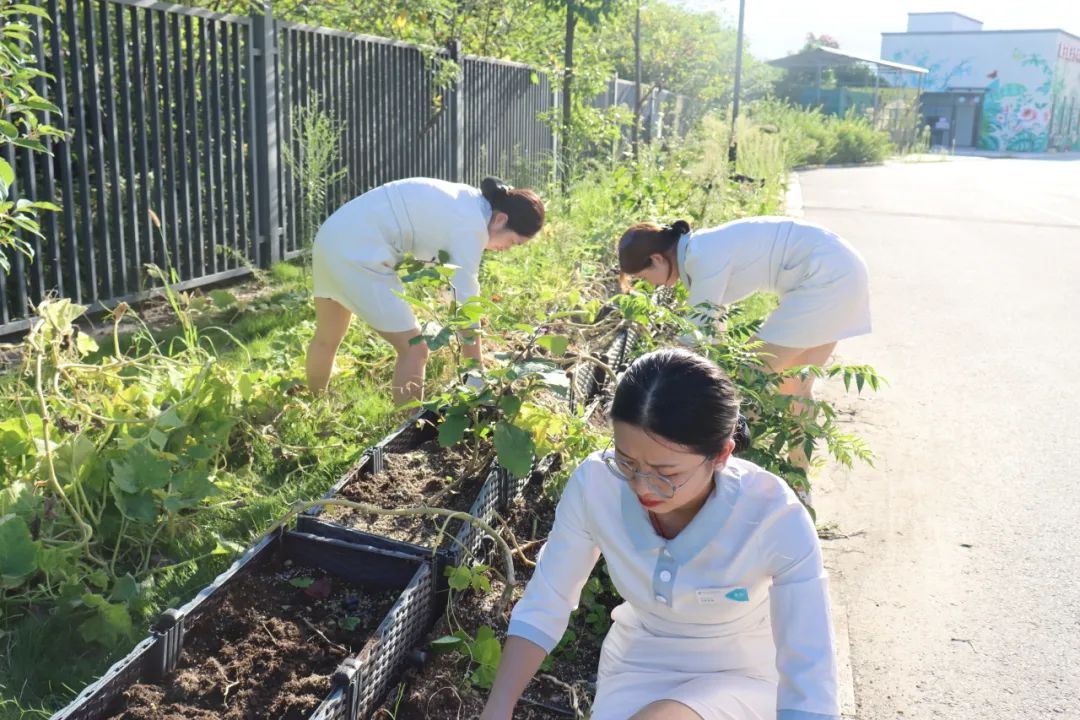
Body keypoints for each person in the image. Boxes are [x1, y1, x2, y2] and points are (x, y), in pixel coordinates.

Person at [481, 348, 839, 720]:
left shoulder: (771, 514)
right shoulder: (596, 484)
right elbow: (548, 599)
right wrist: (498, 706)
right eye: (626, 461)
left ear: (722, 454)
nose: (641, 484)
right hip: (639, 664)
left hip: (745, 673)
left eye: (665, 471)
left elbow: (809, 661)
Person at [617, 216, 870, 465]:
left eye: (643, 277)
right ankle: (798, 480)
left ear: (657, 259)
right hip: (842, 270)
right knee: (794, 388)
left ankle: (740, 470)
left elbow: (694, 340)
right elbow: (712, 335)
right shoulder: (702, 248)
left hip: (827, 278)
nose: (649, 284)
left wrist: (653, 391)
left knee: (750, 379)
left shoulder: (701, 256)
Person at [305, 176, 544, 403]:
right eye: (513, 242)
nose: (507, 249)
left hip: (332, 237)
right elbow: (466, 304)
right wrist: (476, 372)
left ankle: (317, 407)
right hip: (360, 253)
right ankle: (404, 435)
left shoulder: (468, 201)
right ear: (501, 220)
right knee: (414, 349)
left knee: (327, 337)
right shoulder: (472, 228)